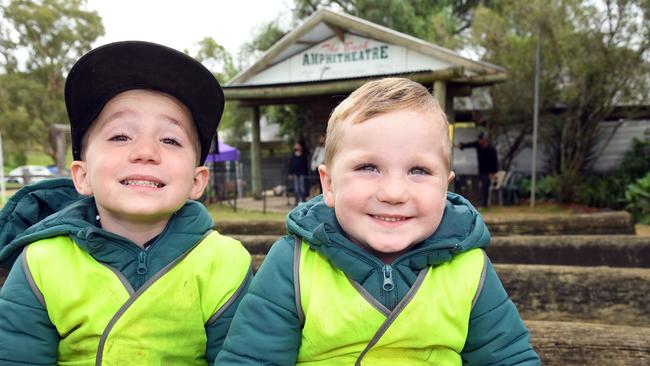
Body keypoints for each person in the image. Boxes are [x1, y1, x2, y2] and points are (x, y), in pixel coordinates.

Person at [216, 78, 539, 365]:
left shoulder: (469, 268)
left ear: (445, 187)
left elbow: (508, 357)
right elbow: (251, 358)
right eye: (369, 167)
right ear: (329, 185)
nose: (394, 193)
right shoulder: (293, 264)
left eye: (419, 171)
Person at [0, 41, 252, 365]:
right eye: (120, 136)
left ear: (196, 180)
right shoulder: (41, 262)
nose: (145, 151)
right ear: (82, 175)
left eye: (170, 139)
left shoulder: (225, 264)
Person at [455, 131, 499, 207]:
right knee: (480, 188)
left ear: (485, 139)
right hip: (481, 171)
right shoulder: (478, 145)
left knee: (485, 188)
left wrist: (492, 173)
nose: (479, 141)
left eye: (481, 139)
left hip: (488, 173)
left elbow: (494, 162)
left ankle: (485, 204)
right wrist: (461, 146)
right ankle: (480, 203)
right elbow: (470, 144)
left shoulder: (491, 149)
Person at [288, 141, 309, 205]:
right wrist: (290, 173)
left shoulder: (303, 156)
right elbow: (291, 165)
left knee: (302, 188)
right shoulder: (293, 156)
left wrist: (306, 174)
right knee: (296, 188)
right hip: (295, 174)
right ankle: (296, 201)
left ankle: (303, 200)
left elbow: (305, 166)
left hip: (302, 174)